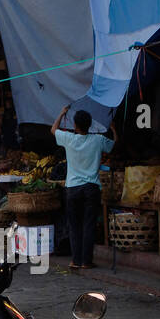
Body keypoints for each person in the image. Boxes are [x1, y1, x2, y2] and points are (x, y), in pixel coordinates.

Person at [52, 104, 115, 271]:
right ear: (89, 125)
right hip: (91, 188)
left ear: (75, 125)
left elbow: (53, 129)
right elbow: (113, 145)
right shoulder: (98, 140)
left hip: (72, 189)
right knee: (88, 225)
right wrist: (113, 129)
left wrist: (62, 112)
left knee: (74, 226)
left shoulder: (69, 139)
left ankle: (75, 260)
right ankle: (87, 261)